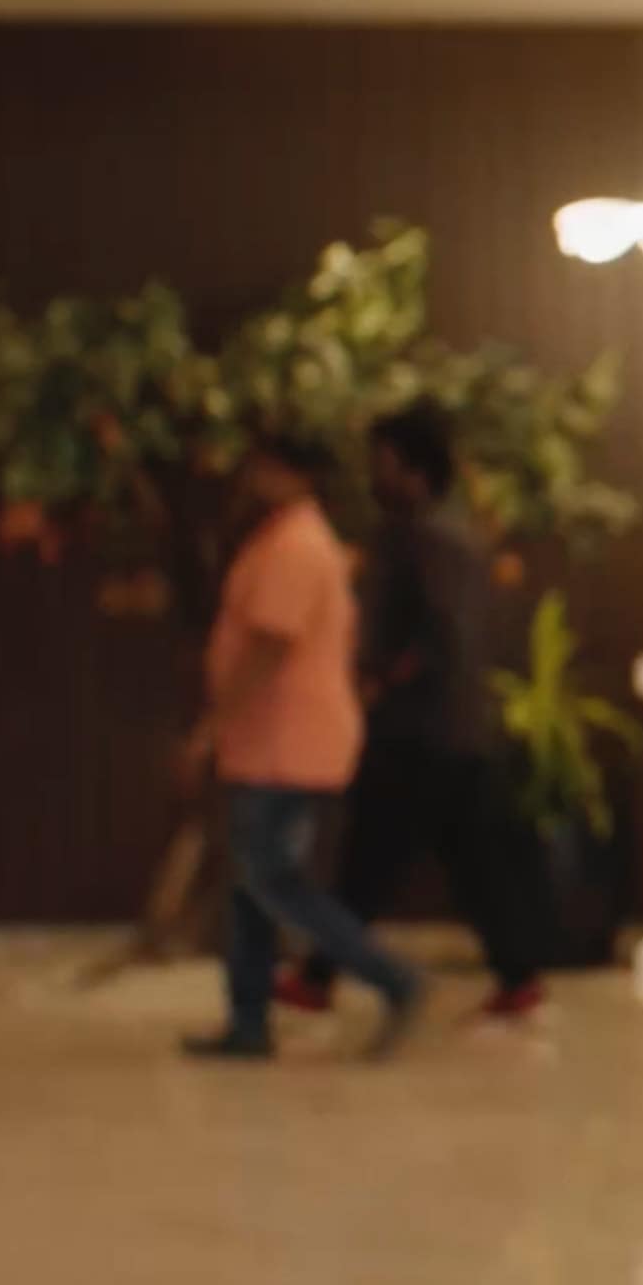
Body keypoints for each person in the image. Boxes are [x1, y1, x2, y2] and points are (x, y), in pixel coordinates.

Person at [281, 401, 553, 1023]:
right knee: (461, 861)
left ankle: (320, 977)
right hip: (451, 731)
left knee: (370, 858)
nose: (373, 477)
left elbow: (441, 632)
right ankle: (518, 978)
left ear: (416, 471)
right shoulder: (446, 535)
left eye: (383, 464)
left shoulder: (423, 538)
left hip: (421, 732)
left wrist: (381, 679)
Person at [181, 435, 421, 1062]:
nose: (253, 480)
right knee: (250, 886)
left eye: (265, 469)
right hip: (267, 742)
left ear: (296, 476)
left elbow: (270, 643)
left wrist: (213, 724)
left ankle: (394, 979)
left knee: (271, 880)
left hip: (285, 741)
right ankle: (248, 1021)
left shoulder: (294, 545)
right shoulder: (284, 538)